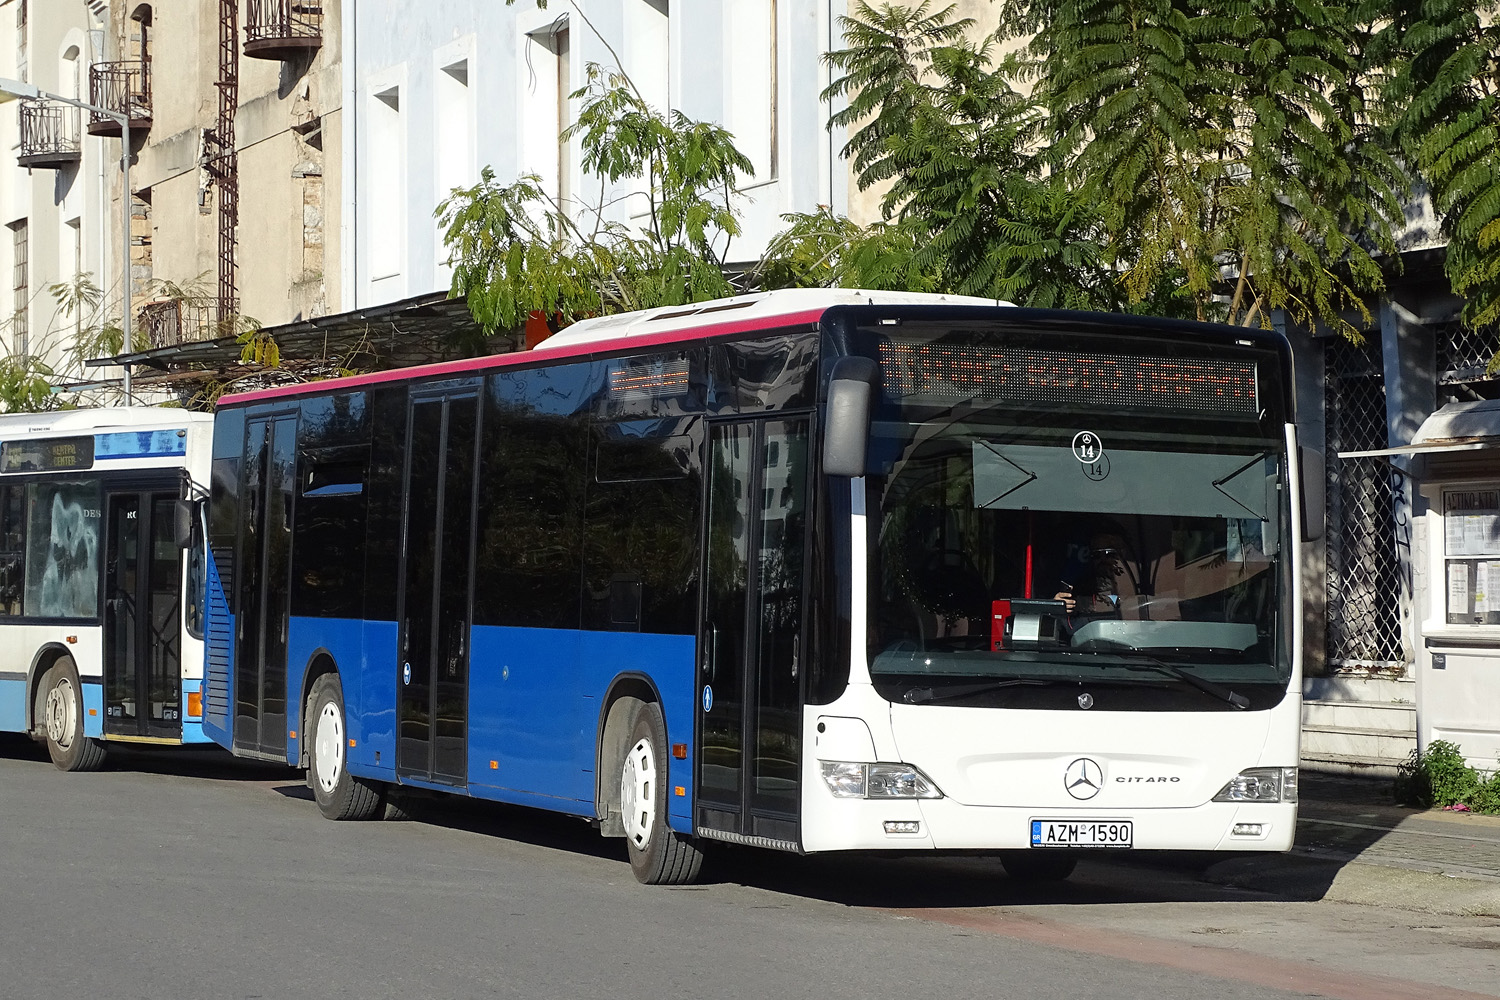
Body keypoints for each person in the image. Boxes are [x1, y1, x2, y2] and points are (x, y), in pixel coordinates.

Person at [1053, 532, 1131, 628]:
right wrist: (1055, 608)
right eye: (1096, 555)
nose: (1103, 559)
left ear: (1121, 554)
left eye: (1109, 553)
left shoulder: (1132, 583)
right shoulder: (1079, 592)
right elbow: (1069, 629)